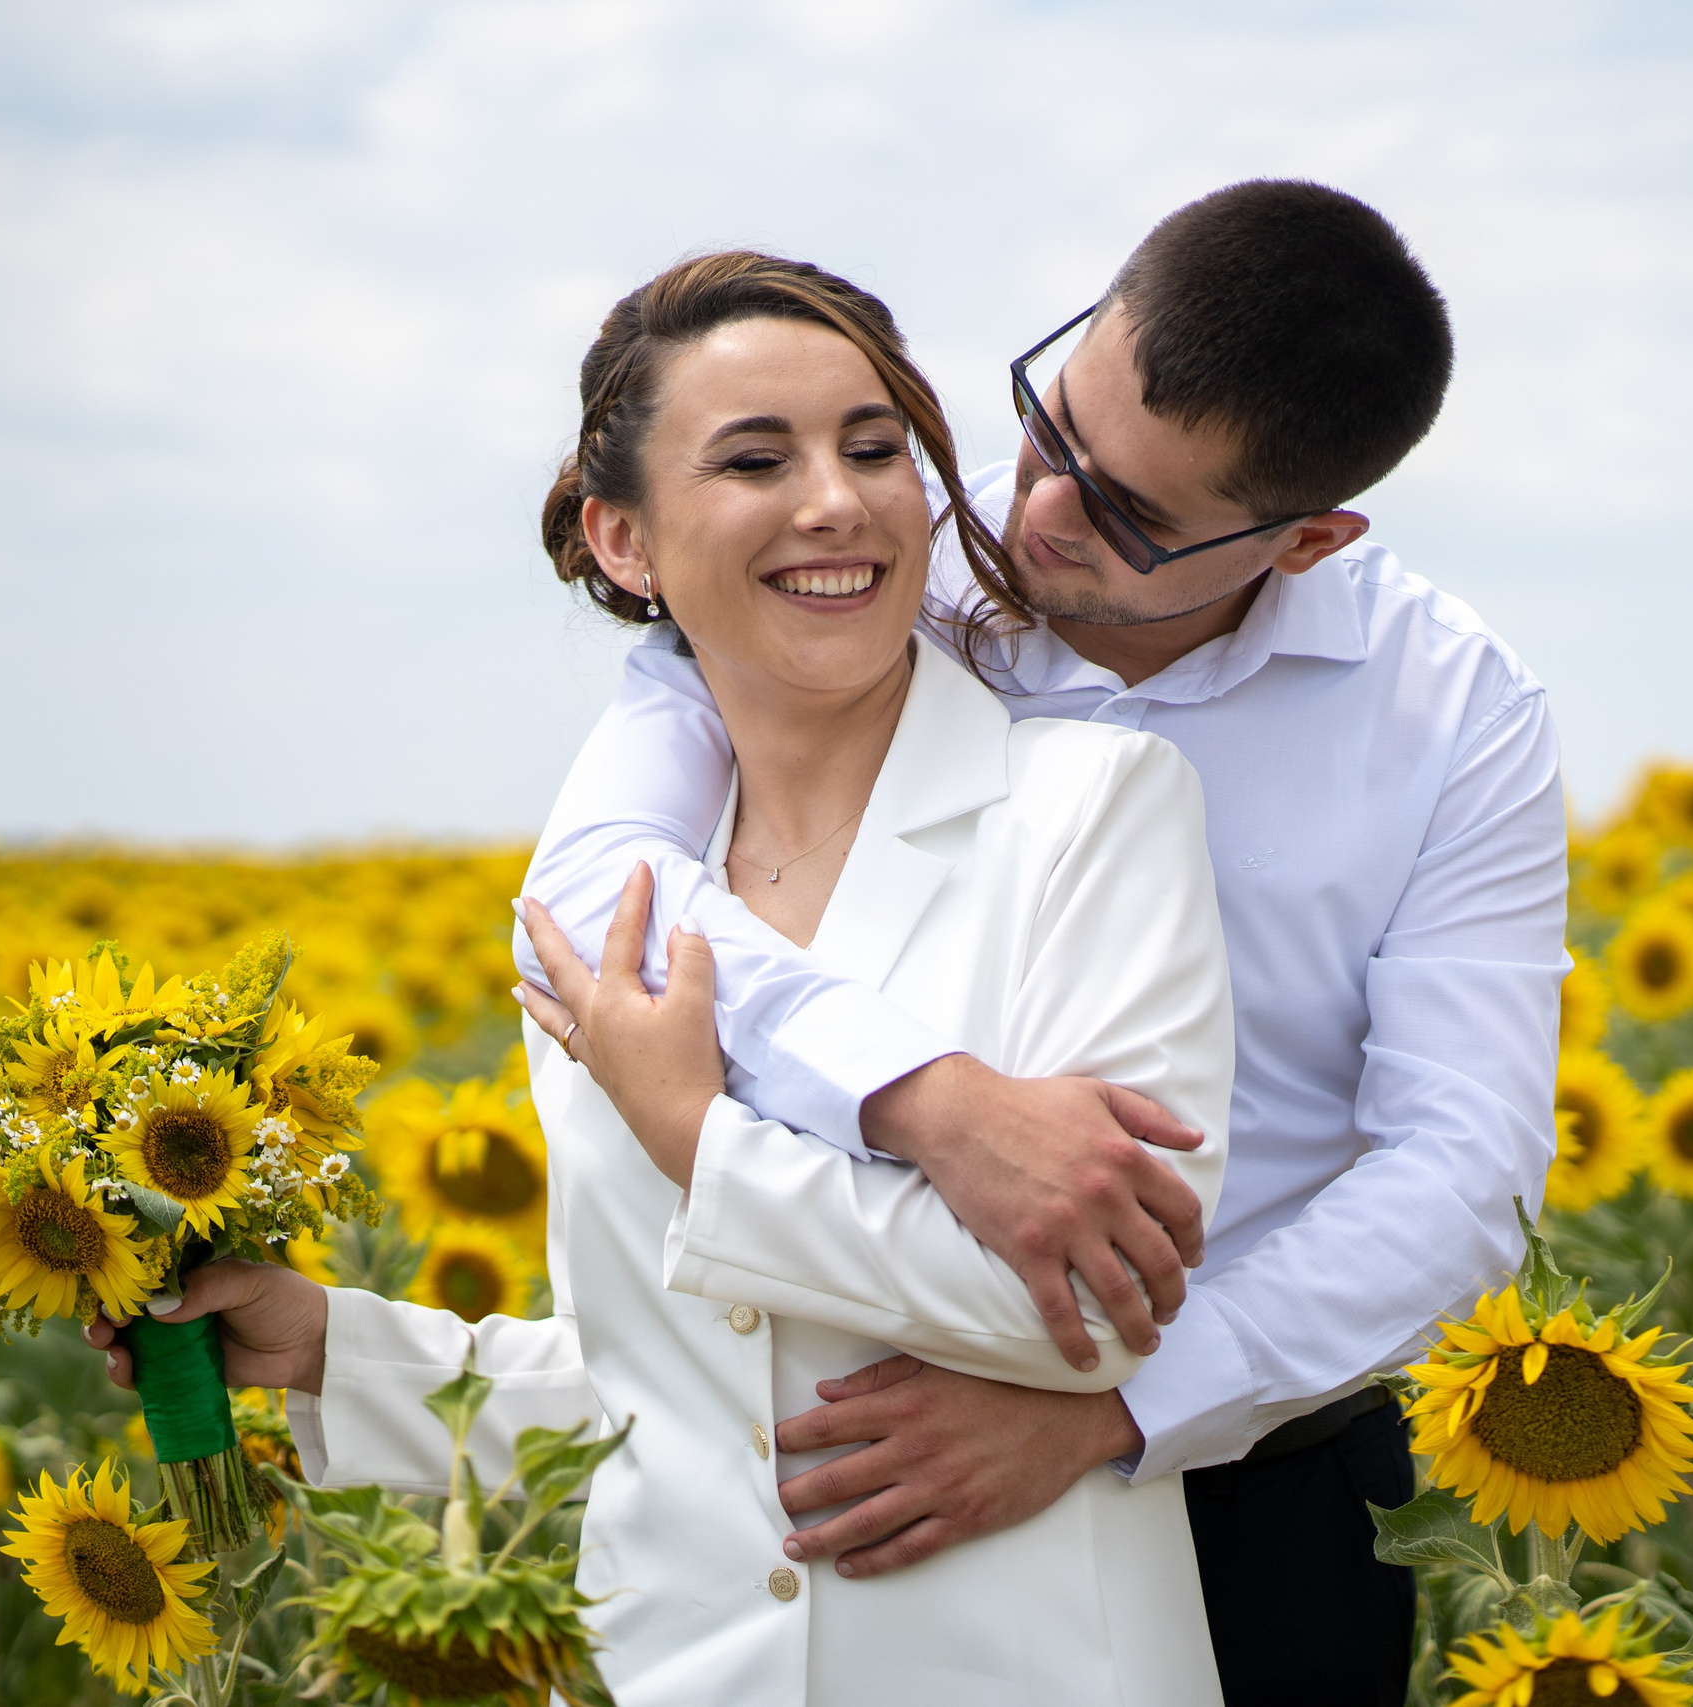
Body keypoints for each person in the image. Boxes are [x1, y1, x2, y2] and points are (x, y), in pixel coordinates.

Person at [91, 250, 1237, 1707]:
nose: (836, 499)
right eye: (757, 459)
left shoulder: (1101, 808)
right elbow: (672, 1375)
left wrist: (703, 1143)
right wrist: (335, 1351)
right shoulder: (604, 913)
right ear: (623, 542)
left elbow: (1088, 1316)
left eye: (876, 449)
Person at [515, 180, 1568, 1705]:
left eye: (1136, 516)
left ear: (1311, 541)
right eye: (1054, 425)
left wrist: (1117, 1412)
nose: (1041, 515)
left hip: (1257, 1450)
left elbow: (1460, 1173)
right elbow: (611, 886)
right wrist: (923, 1098)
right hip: (846, 1397)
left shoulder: (1454, 715)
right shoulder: (873, 567)